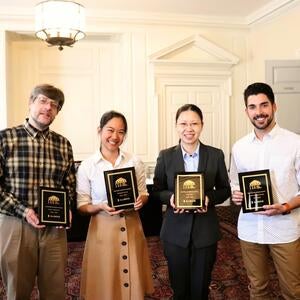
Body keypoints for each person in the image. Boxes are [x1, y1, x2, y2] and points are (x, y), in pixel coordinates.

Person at [0, 84, 76, 300]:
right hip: (16, 225)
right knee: (17, 290)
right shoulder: (5, 138)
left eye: (54, 105)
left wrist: (67, 208)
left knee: (55, 289)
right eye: (43, 101)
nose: (48, 108)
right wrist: (24, 211)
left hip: (54, 228)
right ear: (30, 102)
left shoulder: (63, 144)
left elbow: (68, 184)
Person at [153, 104, 231, 300]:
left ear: (202, 125)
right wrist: (170, 199)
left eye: (194, 123)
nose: (189, 128)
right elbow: (155, 191)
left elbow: (224, 190)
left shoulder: (215, 155)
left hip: (205, 231)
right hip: (174, 232)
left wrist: (208, 198)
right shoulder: (165, 156)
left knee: (200, 288)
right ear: (176, 126)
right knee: (179, 289)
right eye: (184, 123)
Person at [230, 82, 300, 299]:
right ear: (246, 111)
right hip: (250, 229)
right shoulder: (239, 147)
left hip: (284, 229)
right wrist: (236, 195)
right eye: (252, 107)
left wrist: (286, 206)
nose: (259, 112)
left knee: (292, 290)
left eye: (264, 105)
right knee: (257, 288)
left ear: (274, 106)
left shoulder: (295, 143)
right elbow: (235, 184)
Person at [76, 110, 154, 300]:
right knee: (105, 284)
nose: (115, 136)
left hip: (132, 226)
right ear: (99, 130)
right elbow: (82, 205)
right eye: (110, 130)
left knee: (132, 281)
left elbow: (144, 193)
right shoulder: (88, 166)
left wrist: (140, 201)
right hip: (102, 230)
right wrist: (101, 207)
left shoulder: (134, 161)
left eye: (121, 132)